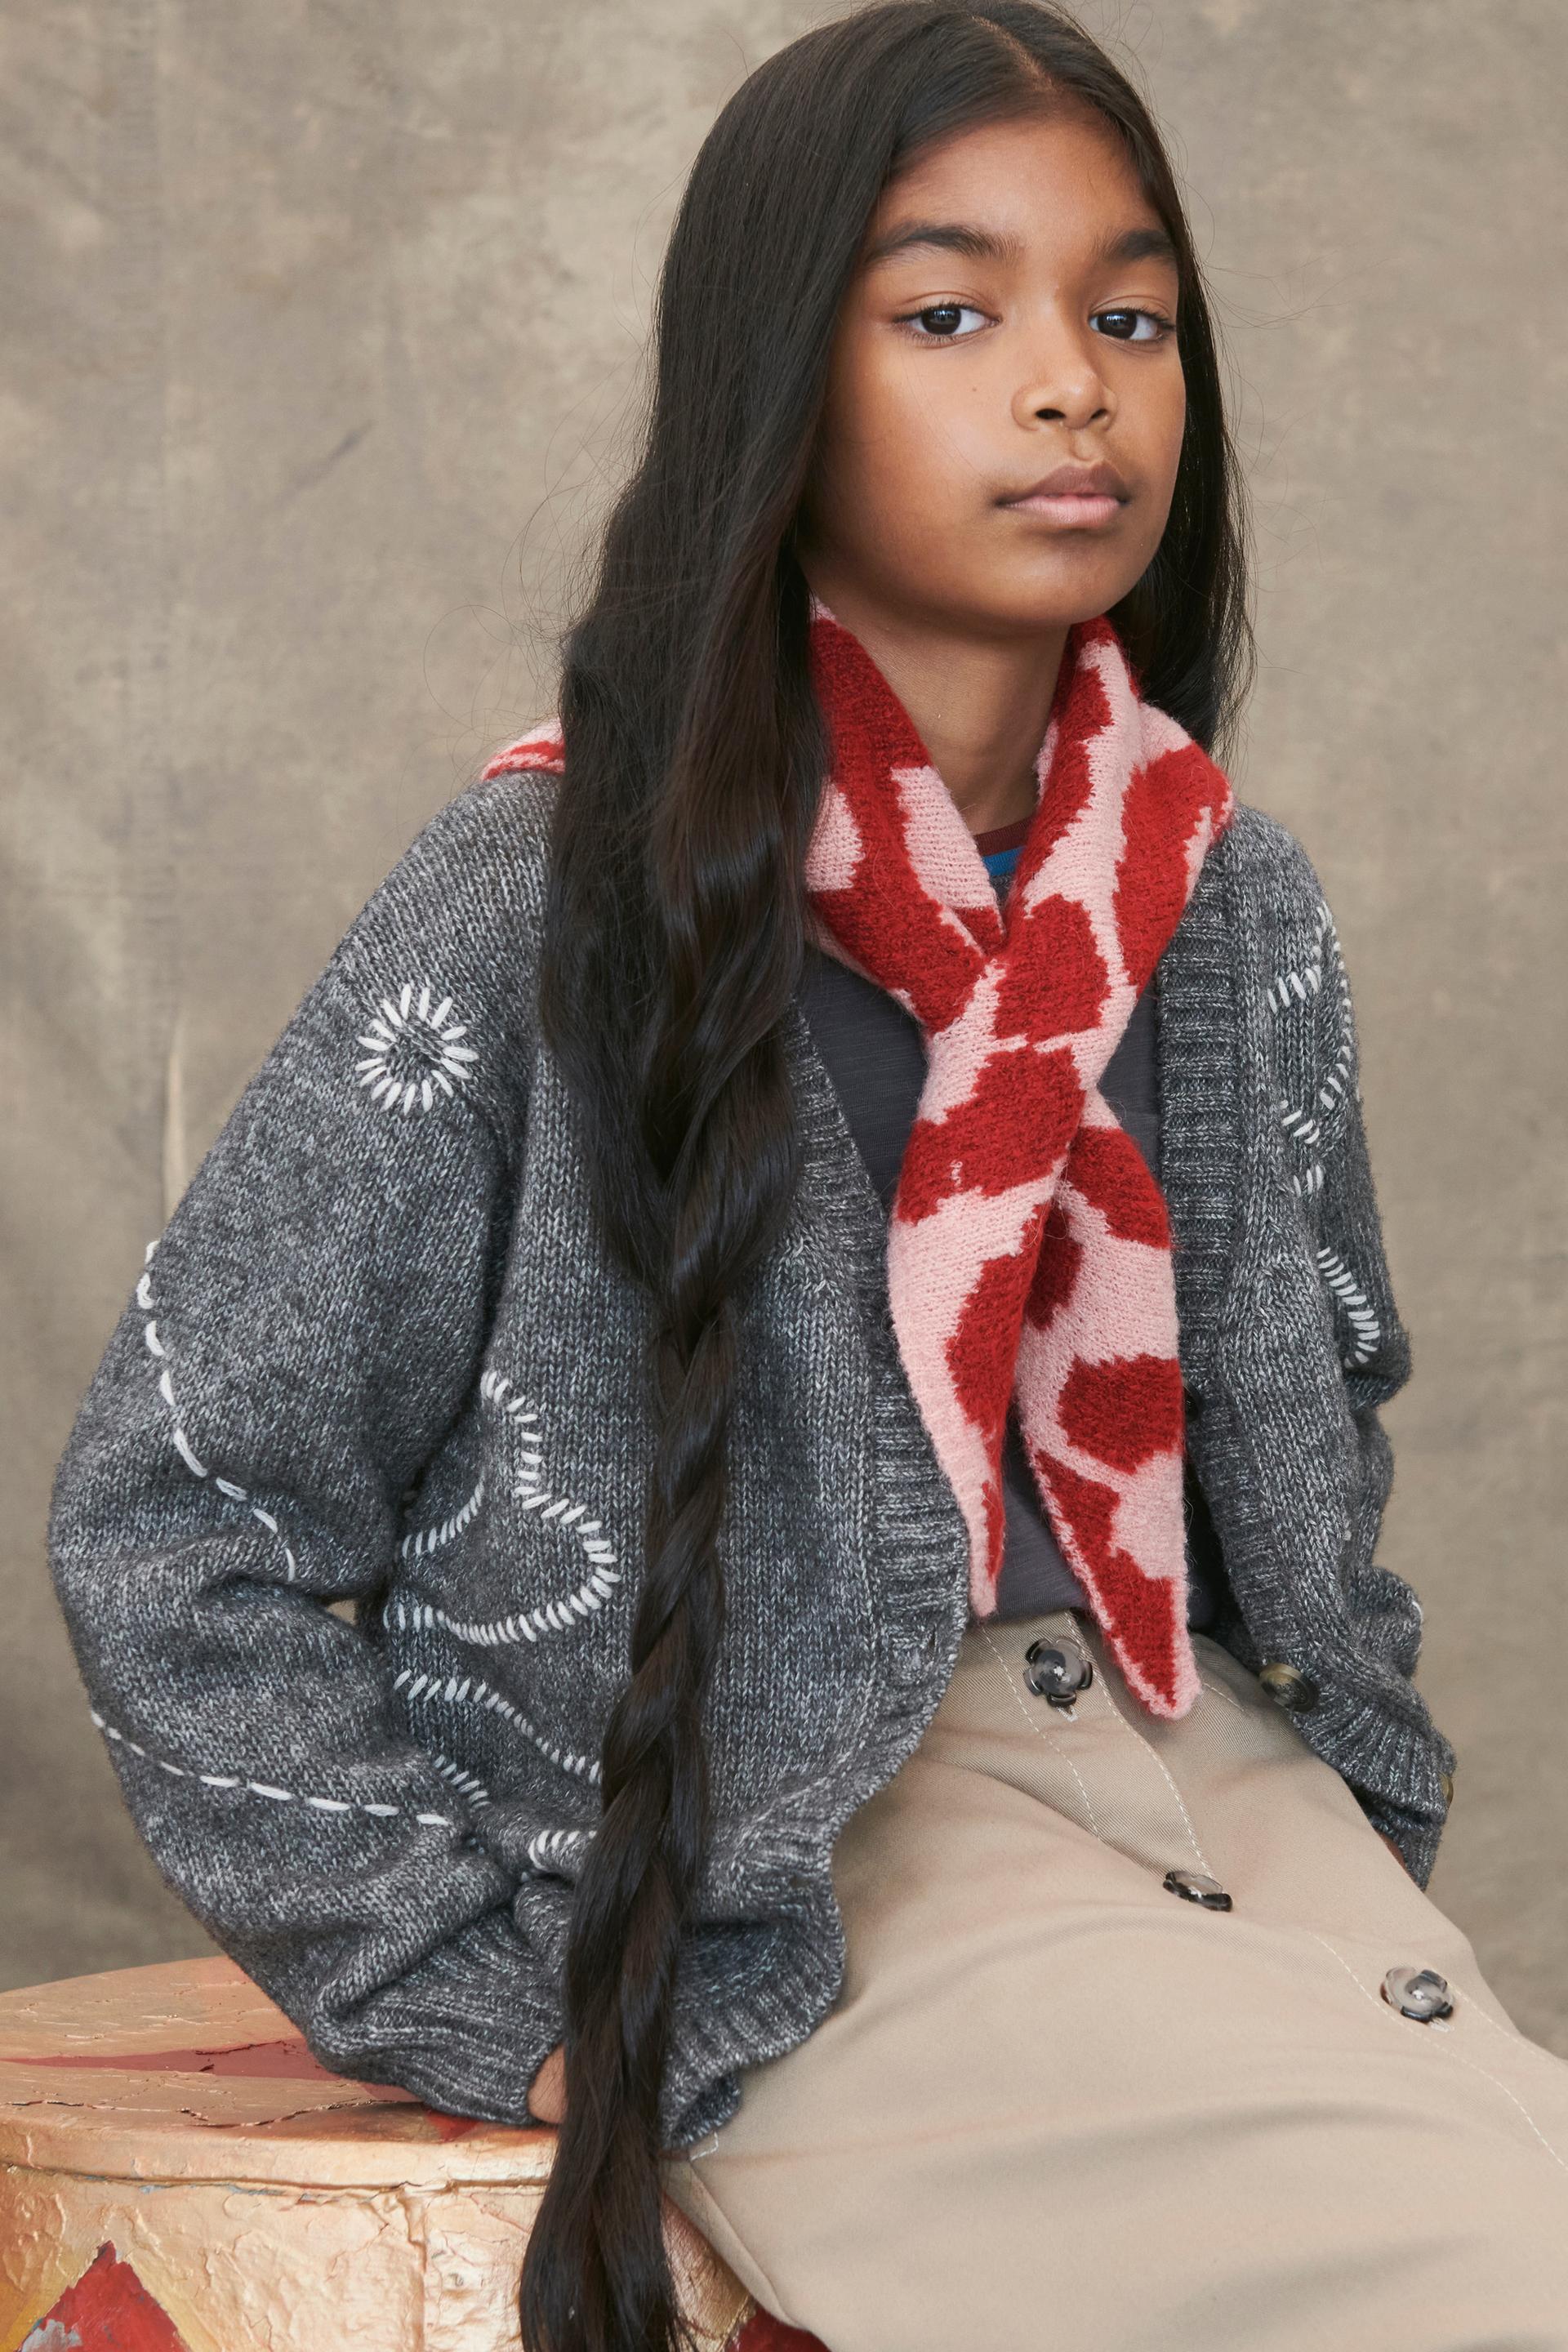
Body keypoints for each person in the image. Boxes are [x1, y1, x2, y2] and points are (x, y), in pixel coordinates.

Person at [47, 4, 1568, 2349]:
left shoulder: (1220, 897)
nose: (1069, 388)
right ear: (778, 380)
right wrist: (477, 1987)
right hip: (810, 1864)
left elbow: (1313, 1405)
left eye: (1132, 317)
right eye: (949, 315)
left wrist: (1341, 1764)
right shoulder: (552, 890)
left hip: (1221, 1778)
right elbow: (180, 1515)